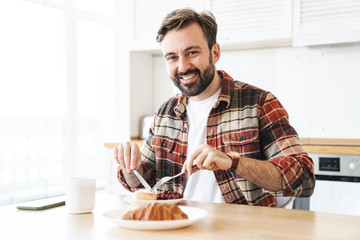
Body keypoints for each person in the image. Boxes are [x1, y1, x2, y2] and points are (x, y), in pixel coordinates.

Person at [114, 8, 315, 207]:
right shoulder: (165, 113)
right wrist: (131, 167)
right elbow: (146, 180)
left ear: (215, 52)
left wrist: (233, 162)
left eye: (191, 52)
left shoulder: (259, 103)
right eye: (172, 57)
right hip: (176, 226)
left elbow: (303, 177)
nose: (183, 67)